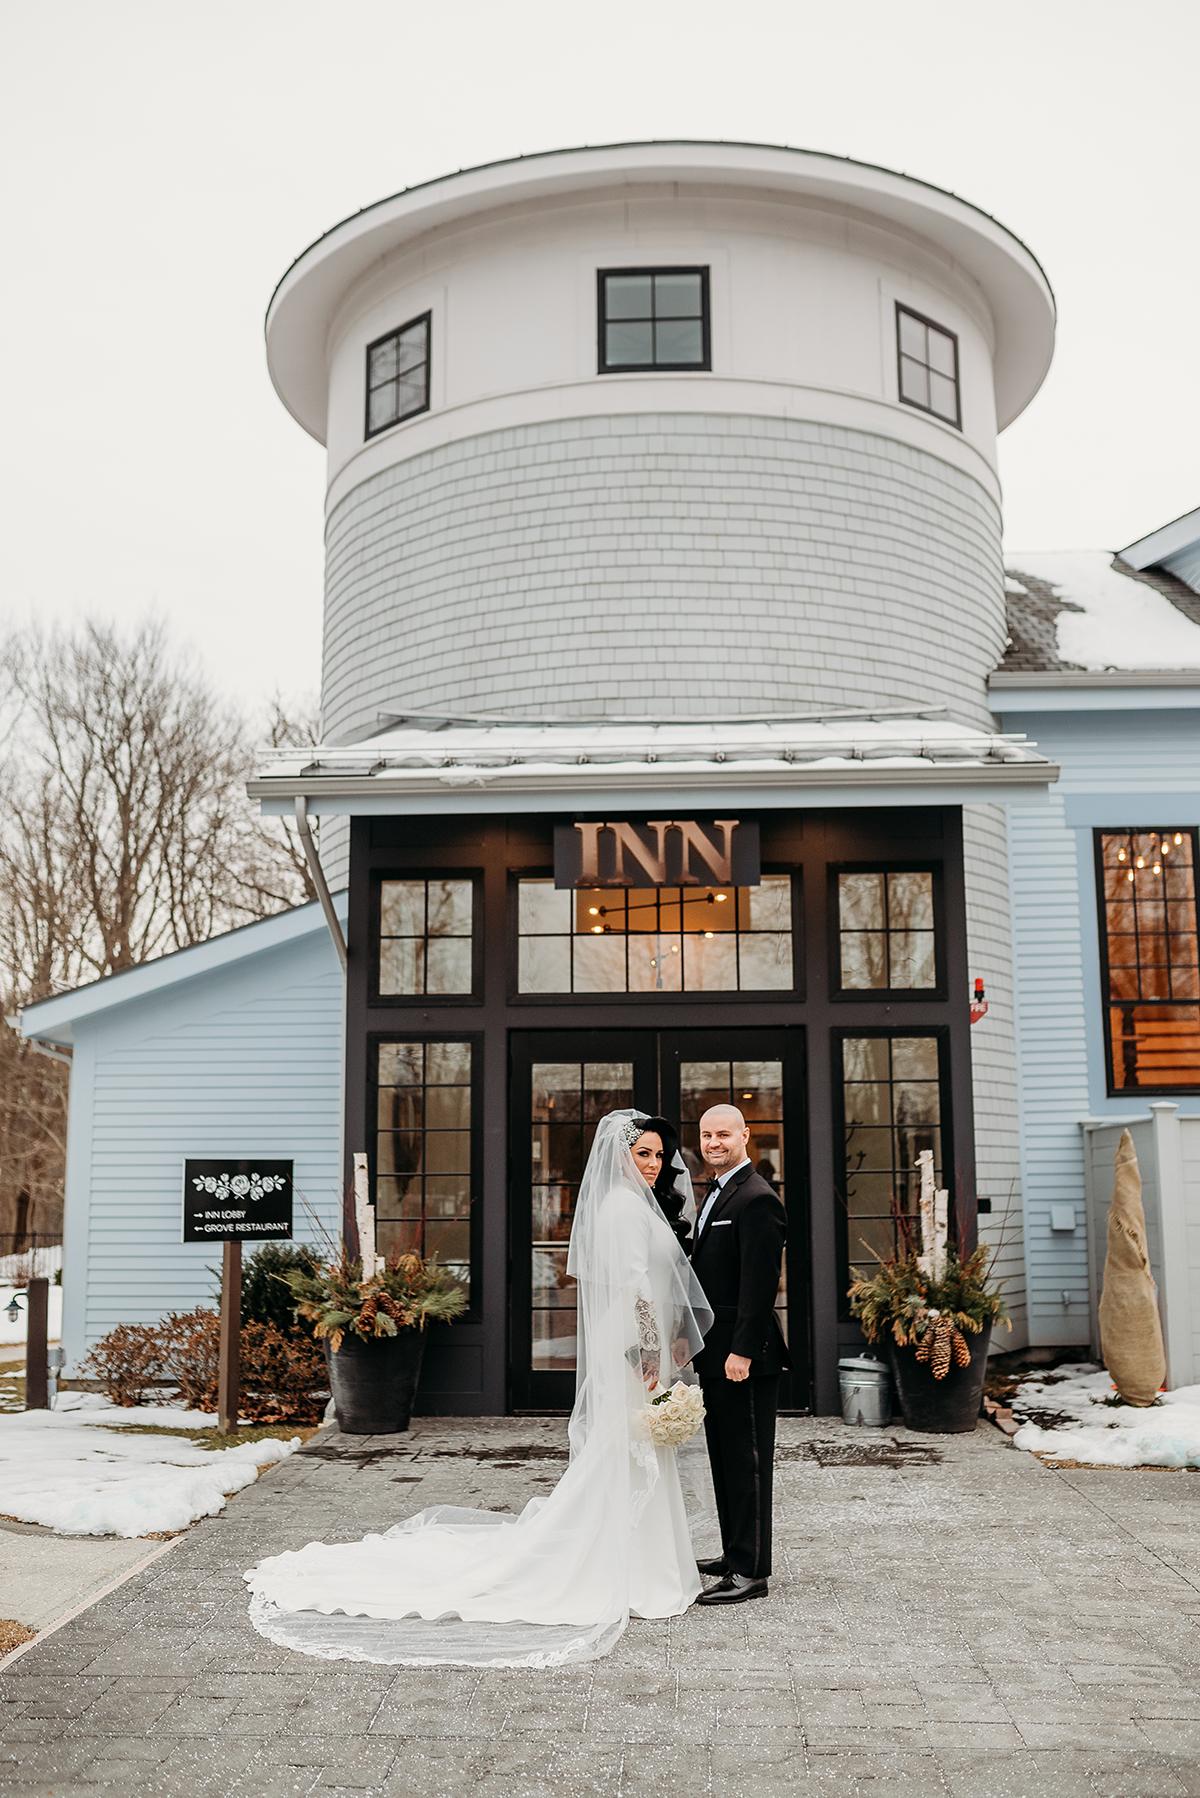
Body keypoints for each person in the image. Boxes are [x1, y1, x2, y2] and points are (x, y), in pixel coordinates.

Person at [243, 1110, 713, 1668]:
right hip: (633, 1344)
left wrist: (670, 1338)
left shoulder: (640, 1204)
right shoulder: (618, 1208)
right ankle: (627, 1567)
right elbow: (633, 1287)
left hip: (645, 1337)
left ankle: (646, 1562)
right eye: (645, 1154)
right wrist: (650, 1354)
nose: (656, 1165)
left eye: (660, 1155)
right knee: (625, 1448)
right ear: (620, 1156)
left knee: (634, 1448)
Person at [690, 1104, 788, 1606]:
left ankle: (751, 1572)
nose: (713, 1143)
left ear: (744, 1135)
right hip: (715, 1348)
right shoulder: (718, 1191)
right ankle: (733, 1553)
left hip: (742, 1355)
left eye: (723, 1134)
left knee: (747, 1460)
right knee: (725, 1456)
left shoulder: (756, 1199)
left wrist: (742, 1350)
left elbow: (759, 1283)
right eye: (707, 1135)